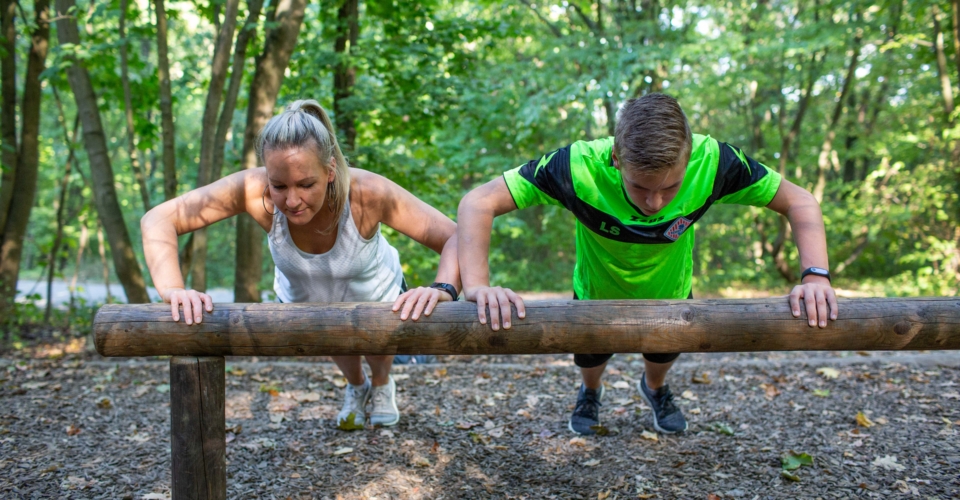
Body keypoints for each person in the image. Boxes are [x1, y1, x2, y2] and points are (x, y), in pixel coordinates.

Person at [457, 93, 838, 435]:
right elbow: (478, 201)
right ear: (616, 158)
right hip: (594, 296)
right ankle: (590, 392)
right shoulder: (575, 167)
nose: (654, 203)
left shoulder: (716, 161)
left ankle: (654, 388)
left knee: (662, 355)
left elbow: (799, 200)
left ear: (689, 158)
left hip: (670, 296)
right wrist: (475, 285)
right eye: (639, 187)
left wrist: (816, 276)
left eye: (670, 188)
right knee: (590, 356)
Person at [141, 99, 461, 430]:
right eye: (279, 186)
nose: (291, 201)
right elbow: (158, 219)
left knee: (377, 346)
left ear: (331, 170)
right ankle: (357, 385)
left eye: (306, 184)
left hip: (377, 296)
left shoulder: (368, 193)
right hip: (310, 300)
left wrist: (444, 288)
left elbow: (454, 236)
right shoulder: (254, 190)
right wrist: (173, 290)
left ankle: (381, 384)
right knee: (335, 338)